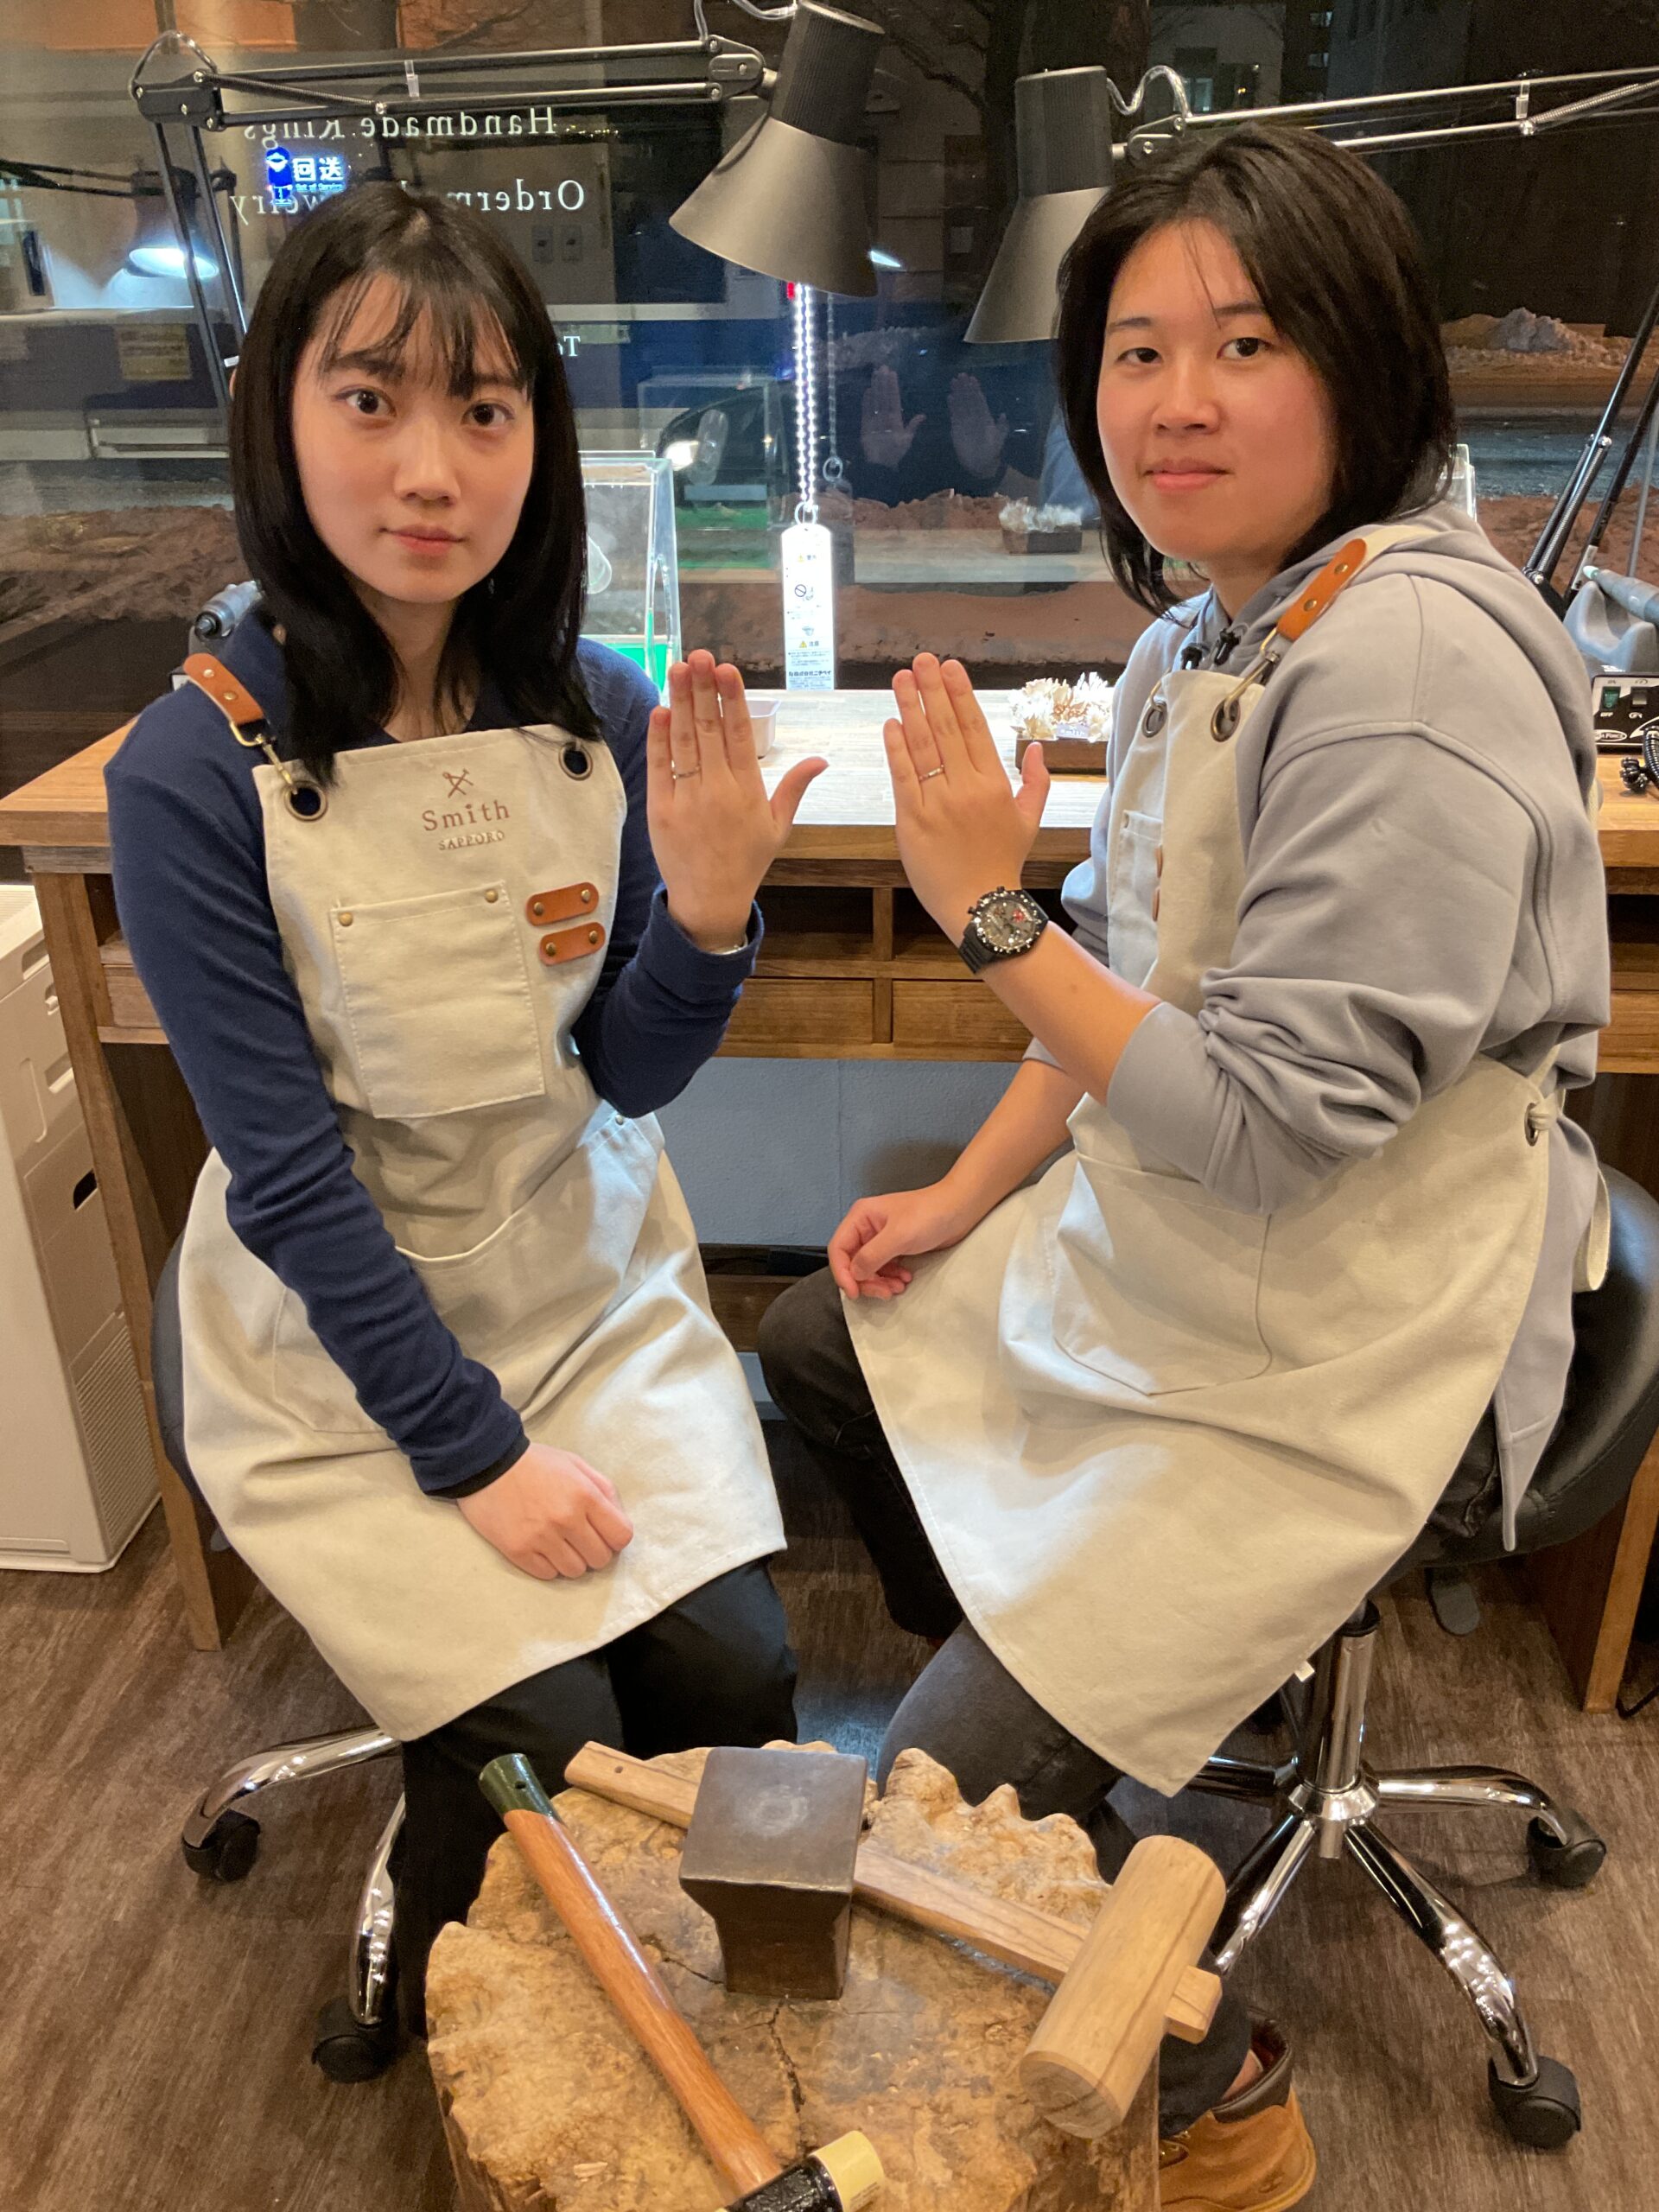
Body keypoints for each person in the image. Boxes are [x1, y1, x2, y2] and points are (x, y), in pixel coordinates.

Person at [758, 124, 1609, 2209]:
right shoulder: (1200, 644)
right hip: (1182, 1263)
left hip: (1350, 1328)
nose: (1178, 401)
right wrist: (962, 1196)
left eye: (1246, 341)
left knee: (923, 1797)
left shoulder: (1410, 667)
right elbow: (1129, 994)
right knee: (820, 1337)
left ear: (1362, 361)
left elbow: (1267, 1121)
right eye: (1137, 352)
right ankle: (1076, 1696)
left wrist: (986, 918)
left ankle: (1220, 2076)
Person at [109, 183, 826, 2029]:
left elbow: (627, 1075)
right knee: (546, 1733)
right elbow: (286, 1179)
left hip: (582, 1290)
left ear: (539, 441)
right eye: (371, 401)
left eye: (484, 408)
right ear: (280, 416)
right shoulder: (196, 763)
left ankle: (707, 2007)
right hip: (340, 1353)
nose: (431, 468)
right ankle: (478, 2012)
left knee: (737, 1676)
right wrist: (477, 1459)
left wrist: (712, 919)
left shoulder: (599, 707)